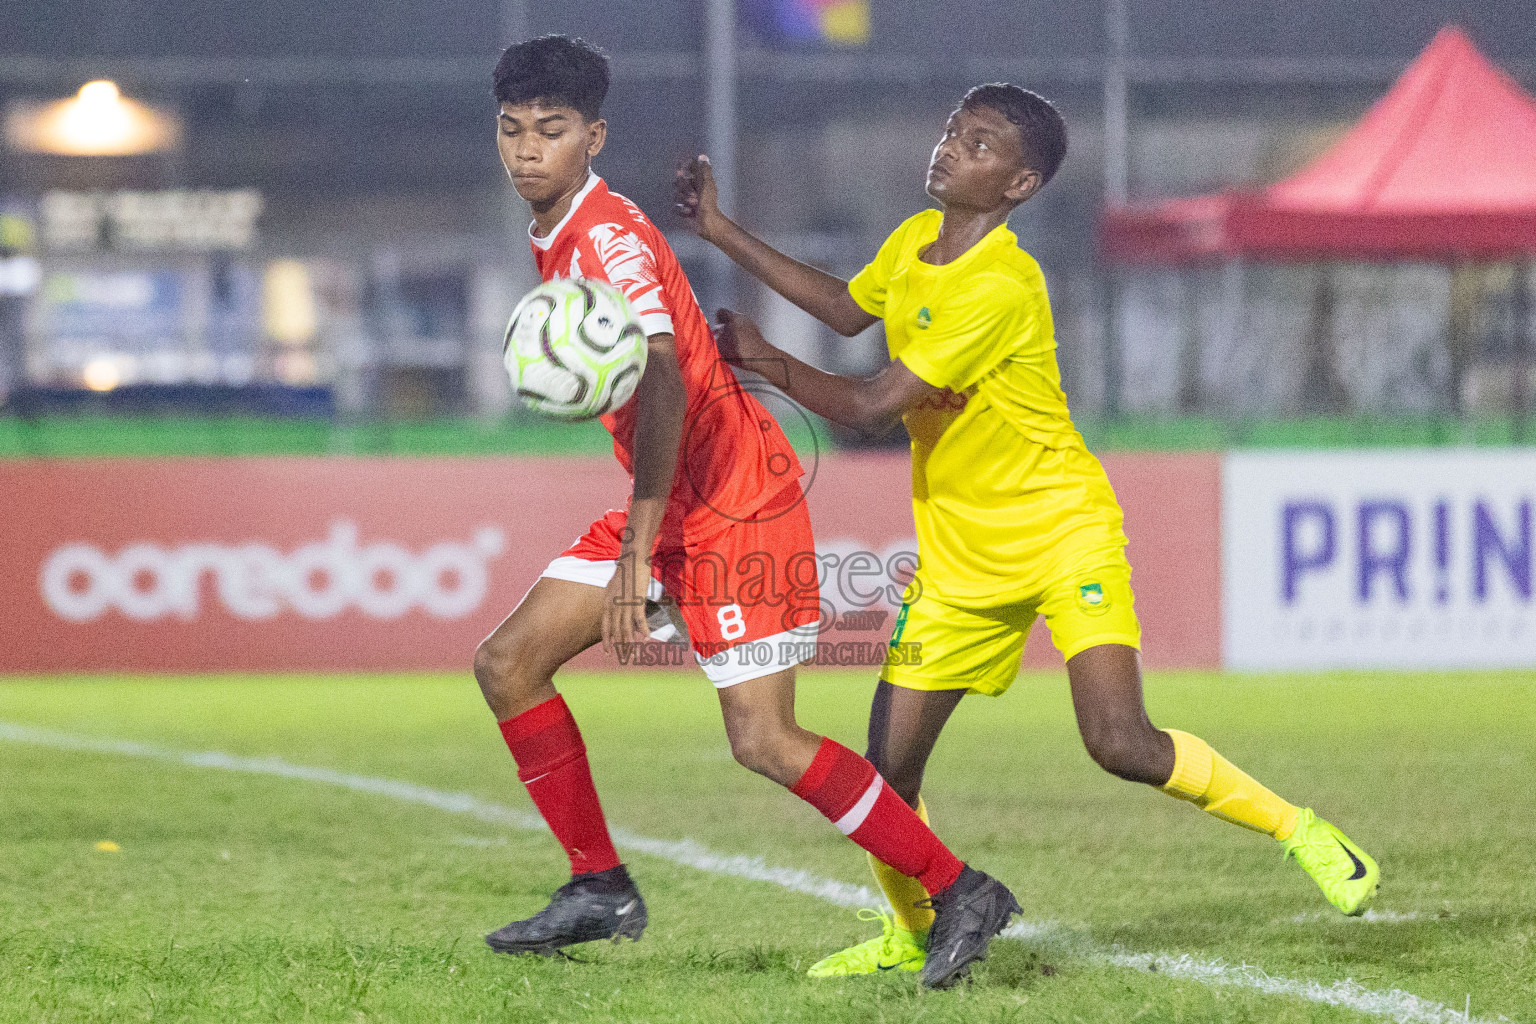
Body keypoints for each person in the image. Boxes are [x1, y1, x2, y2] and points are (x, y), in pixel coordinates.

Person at [676, 82, 1380, 977]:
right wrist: (722, 230)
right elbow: (851, 309)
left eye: (978, 144)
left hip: (1061, 531)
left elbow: (866, 406)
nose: (949, 149)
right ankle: (907, 930)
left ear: (1019, 186)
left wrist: (764, 359)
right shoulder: (912, 244)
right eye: (951, 132)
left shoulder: (1002, 282)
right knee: (884, 778)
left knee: (1119, 742)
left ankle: (1304, 831)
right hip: (960, 557)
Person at [473, 36, 1021, 989]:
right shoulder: (552, 225)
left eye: (551, 132)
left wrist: (642, 544)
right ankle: (599, 884)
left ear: (592, 137)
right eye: (513, 131)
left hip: (731, 502)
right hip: (674, 495)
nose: (528, 150)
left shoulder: (605, 235)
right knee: (508, 663)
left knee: (764, 740)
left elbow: (664, 380)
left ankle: (960, 888)